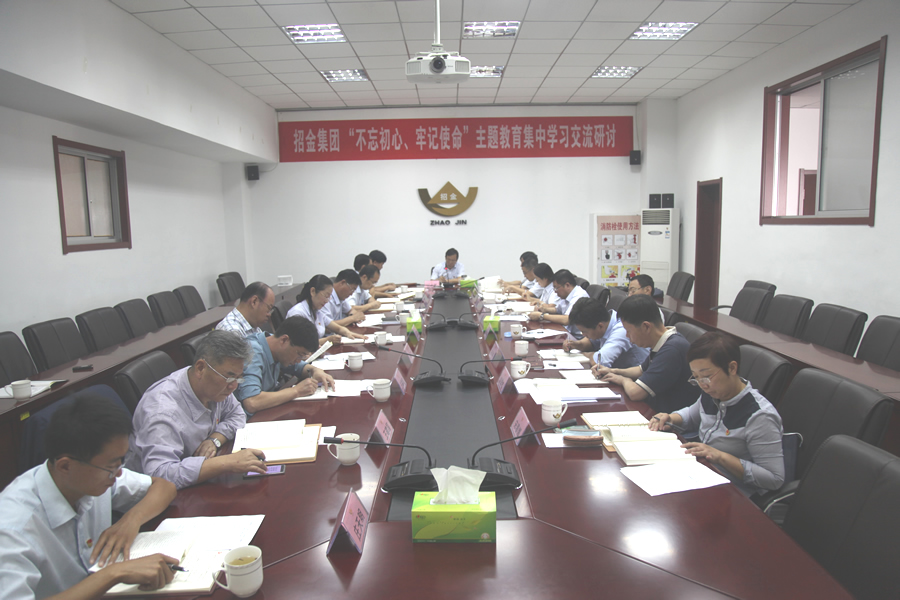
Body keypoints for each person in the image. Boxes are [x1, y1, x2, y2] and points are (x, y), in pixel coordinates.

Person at [0, 394, 179, 599]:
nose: (118, 474)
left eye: (121, 462)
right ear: (65, 466)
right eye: (112, 467)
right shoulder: (13, 528)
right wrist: (112, 574)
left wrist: (131, 519)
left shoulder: (89, 475)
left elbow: (164, 487)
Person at [125, 330, 267, 490]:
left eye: (238, 378)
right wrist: (226, 462)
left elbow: (237, 414)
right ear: (200, 368)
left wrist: (215, 439)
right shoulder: (162, 410)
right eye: (229, 377)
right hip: (152, 497)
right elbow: (160, 475)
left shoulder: (215, 386)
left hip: (194, 484)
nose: (234, 386)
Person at [649, 332, 785, 496]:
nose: (703, 385)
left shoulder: (759, 416)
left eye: (706, 377)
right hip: (700, 475)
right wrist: (670, 417)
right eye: (696, 377)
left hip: (732, 492)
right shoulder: (713, 392)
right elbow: (692, 415)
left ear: (732, 368)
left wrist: (719, 456)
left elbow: (773, 478)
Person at [593, 294, 696, 413]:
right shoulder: (663, 341)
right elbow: (641, 370)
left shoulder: (672, 349)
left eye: (629, 331)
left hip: (668, 417)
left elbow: (635, 393)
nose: (627, 335)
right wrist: (612, 371)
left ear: (646, 327)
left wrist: (623, 380)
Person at [235, 316, 335, 416]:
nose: (299, 360)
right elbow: (252, 402)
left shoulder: (276, 343)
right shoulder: (253, 352)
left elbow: (299, 367)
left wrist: (315, 370)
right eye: (300, 354)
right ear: (284, 340)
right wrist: (296, 391)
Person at [565, 298, 649, 369]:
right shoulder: (606, 322)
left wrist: (581, 355)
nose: (583, 335)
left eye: (584, 331)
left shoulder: (622, 330)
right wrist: (577, 344)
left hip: (637, 377)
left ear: (600, 326)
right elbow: (591, 342)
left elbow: (599, 361)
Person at [287, 275, 363, 345]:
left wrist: (348, 333)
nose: (327, 301)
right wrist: (327, 340)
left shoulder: (317, 311)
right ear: (313, 291)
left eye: (329, 297)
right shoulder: (297, 313)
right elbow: (300, 344)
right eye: (326, 296)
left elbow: (337, 328)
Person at [527, 269, 590, 338]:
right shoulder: (567, 294)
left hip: (576, 337)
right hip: (566, 331)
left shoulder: (579, 296)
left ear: (567, 285)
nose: (555, 292)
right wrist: (544, 309)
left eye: (556, 288)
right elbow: (558, 310)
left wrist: (541, 316)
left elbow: (567, 319)